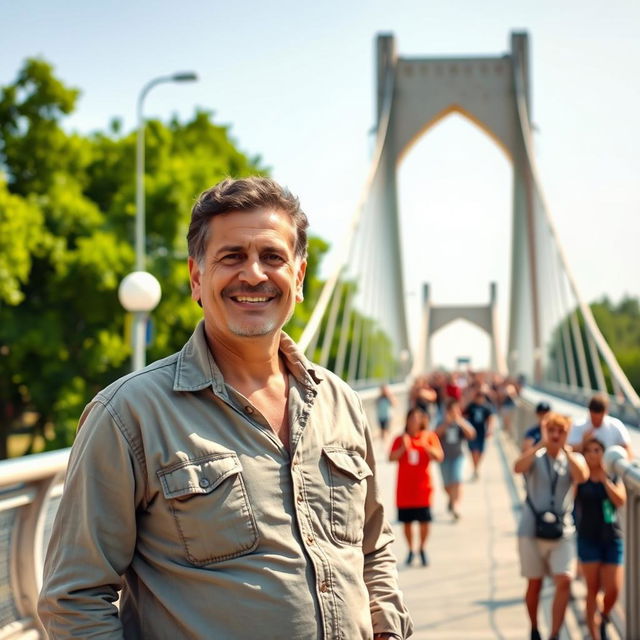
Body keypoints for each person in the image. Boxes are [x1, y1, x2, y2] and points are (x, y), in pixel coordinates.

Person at [38, 177, 413, 639]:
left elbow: (373, 547)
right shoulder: (127, 414)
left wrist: (388, 630)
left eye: (272, 257)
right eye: (232, 256)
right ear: (197, 278)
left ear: (298, 279)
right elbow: (73, 599)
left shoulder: (340, 402)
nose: (253, 274)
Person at [513, 412, 589, 640]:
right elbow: (518, 467)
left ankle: (555, 633)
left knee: (565, 579)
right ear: (545, 430)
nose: (556, 435)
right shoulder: (537, 456)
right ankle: (535, 628)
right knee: (534, 584)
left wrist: (566, 452)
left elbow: (582, 476)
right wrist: (539, 446)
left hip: (562, 529)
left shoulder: (572, 458)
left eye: (561, 431)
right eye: (552, 430)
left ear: (567, 433)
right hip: (531, 529)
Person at [574, 437, 626, 640]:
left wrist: (605, 480)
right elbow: (570, 497)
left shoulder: (612, 476)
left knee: (613, 589)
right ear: (584, 455)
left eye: (597, 450)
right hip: (588, 538)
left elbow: (620, 500)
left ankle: (603, 617)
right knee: (592, 589)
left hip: (612, 538)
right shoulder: (580, 477)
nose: (593, 454)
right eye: (589, 451)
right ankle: (594, 634)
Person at [389, 408, 444, 567]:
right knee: (407, 522)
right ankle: (411, 549)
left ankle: (422, 548)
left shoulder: (429, 436)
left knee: (424, 521)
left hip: (423, 488)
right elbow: (390, 457)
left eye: (417, 418)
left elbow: (440, 456)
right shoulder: (400, 439)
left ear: (421, 420)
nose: (414, 421)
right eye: (411, 418)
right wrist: (402, 449)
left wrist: (427, 447)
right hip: (405, 490)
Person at [435, 398, 476, 520]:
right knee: (447, 485)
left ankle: (456, 506)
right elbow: (434, 435)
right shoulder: (441, 422)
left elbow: (472, 434)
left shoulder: (461, 422)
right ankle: (452, 500)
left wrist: (460, 422)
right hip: (444, 457)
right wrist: (446, 424)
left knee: (457, 480)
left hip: (458, 456)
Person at [568, 394, 632, 457]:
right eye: (593, 418)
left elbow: (628, 451)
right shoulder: (578, 425)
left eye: (599, 419)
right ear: (589, 412)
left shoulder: (616, 426)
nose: (596, 422)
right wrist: (583, 443)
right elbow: (568, 452)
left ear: (606, 412)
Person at [463, 388, 496, 479]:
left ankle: (476, 467)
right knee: (473, 450)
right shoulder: (471, 406)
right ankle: (475, 468)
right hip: (472, 432)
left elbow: (490, 419)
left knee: (480, 451)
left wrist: (490, 429)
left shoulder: (486, 407)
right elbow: (464, 416)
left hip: (482, 432)